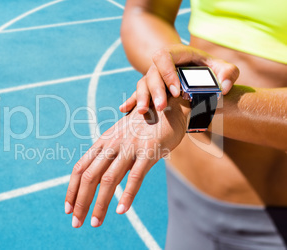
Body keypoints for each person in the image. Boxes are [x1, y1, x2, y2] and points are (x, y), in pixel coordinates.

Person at [65, 0, 287, 248]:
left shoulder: (191, 105)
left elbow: (198, 102)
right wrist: (174, 79)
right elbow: (146, 12)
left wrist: (195, 103)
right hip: (187, 204)